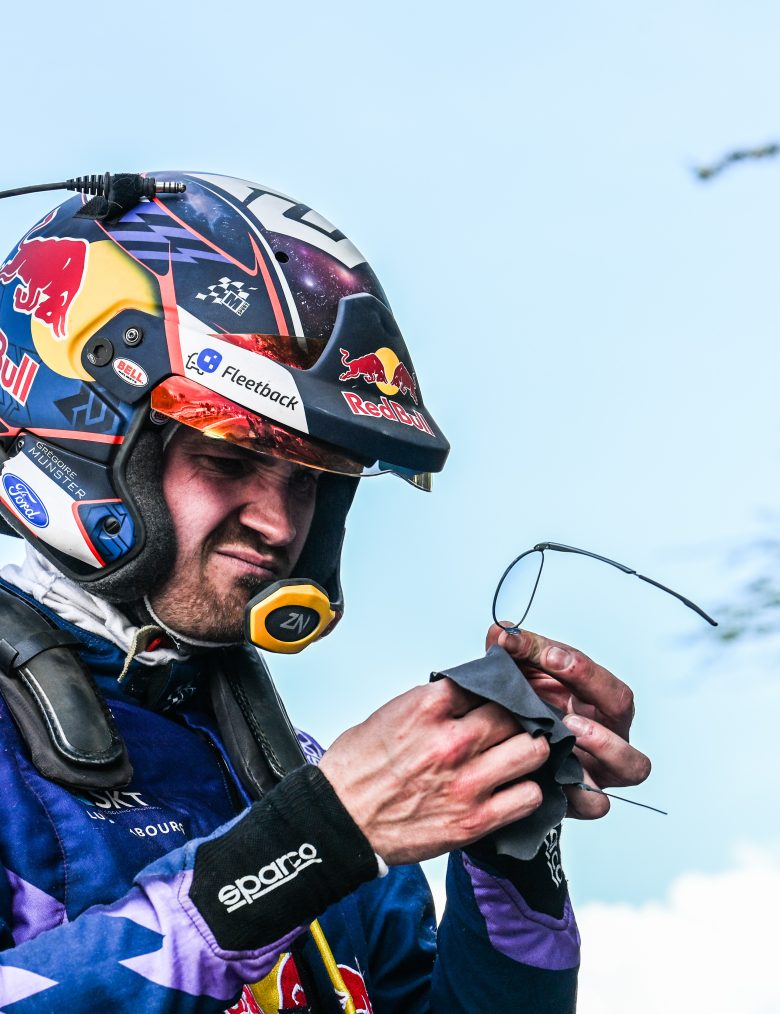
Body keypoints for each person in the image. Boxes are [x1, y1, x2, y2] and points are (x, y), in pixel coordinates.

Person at [0, 172, 649, 1012]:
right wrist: (315, 842)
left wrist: (511, 835)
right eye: (227, 460)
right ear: (83, 434)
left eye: (309, 482)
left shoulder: (304, 774)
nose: (280, 526)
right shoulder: (335, 804)